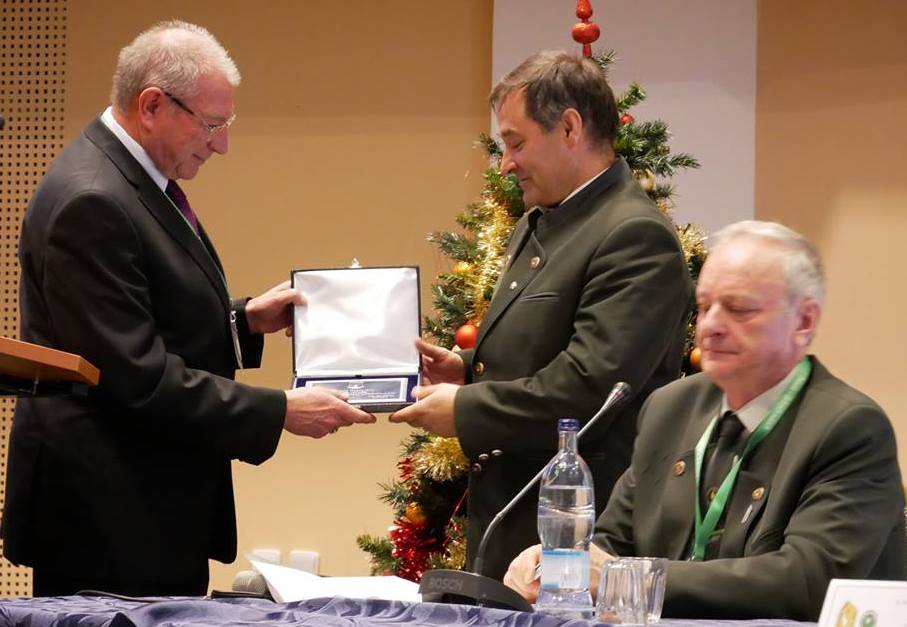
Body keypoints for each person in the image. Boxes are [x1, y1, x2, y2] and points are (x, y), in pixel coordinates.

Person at [1, 20, 375, 597]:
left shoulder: (127, 179)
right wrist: (280, 411)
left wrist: (243, 321)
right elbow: (135, 377)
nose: (221, 144)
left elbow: (145, 318)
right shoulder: (93, 199)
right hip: (109, 522)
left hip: (142, 509)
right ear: (152, 105)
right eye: (212, 124)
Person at [504, 220, 906, 620]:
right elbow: (611, 546)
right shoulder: (670, 408)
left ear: (804, 322)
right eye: (703, 306)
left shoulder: (848, 427)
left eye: (739, 309)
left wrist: (632, 578)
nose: (710, 326)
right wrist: (559, 565)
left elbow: (806, 581)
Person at [389, 51, 692, 580]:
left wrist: (466, 409)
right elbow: (544, 344)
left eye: (516, 142)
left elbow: (590, 387)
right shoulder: (540, 223)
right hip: (512, 525)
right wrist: (466, 368)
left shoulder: (634, 236)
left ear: (570, 128)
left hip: (578, 539)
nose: (505, 163)